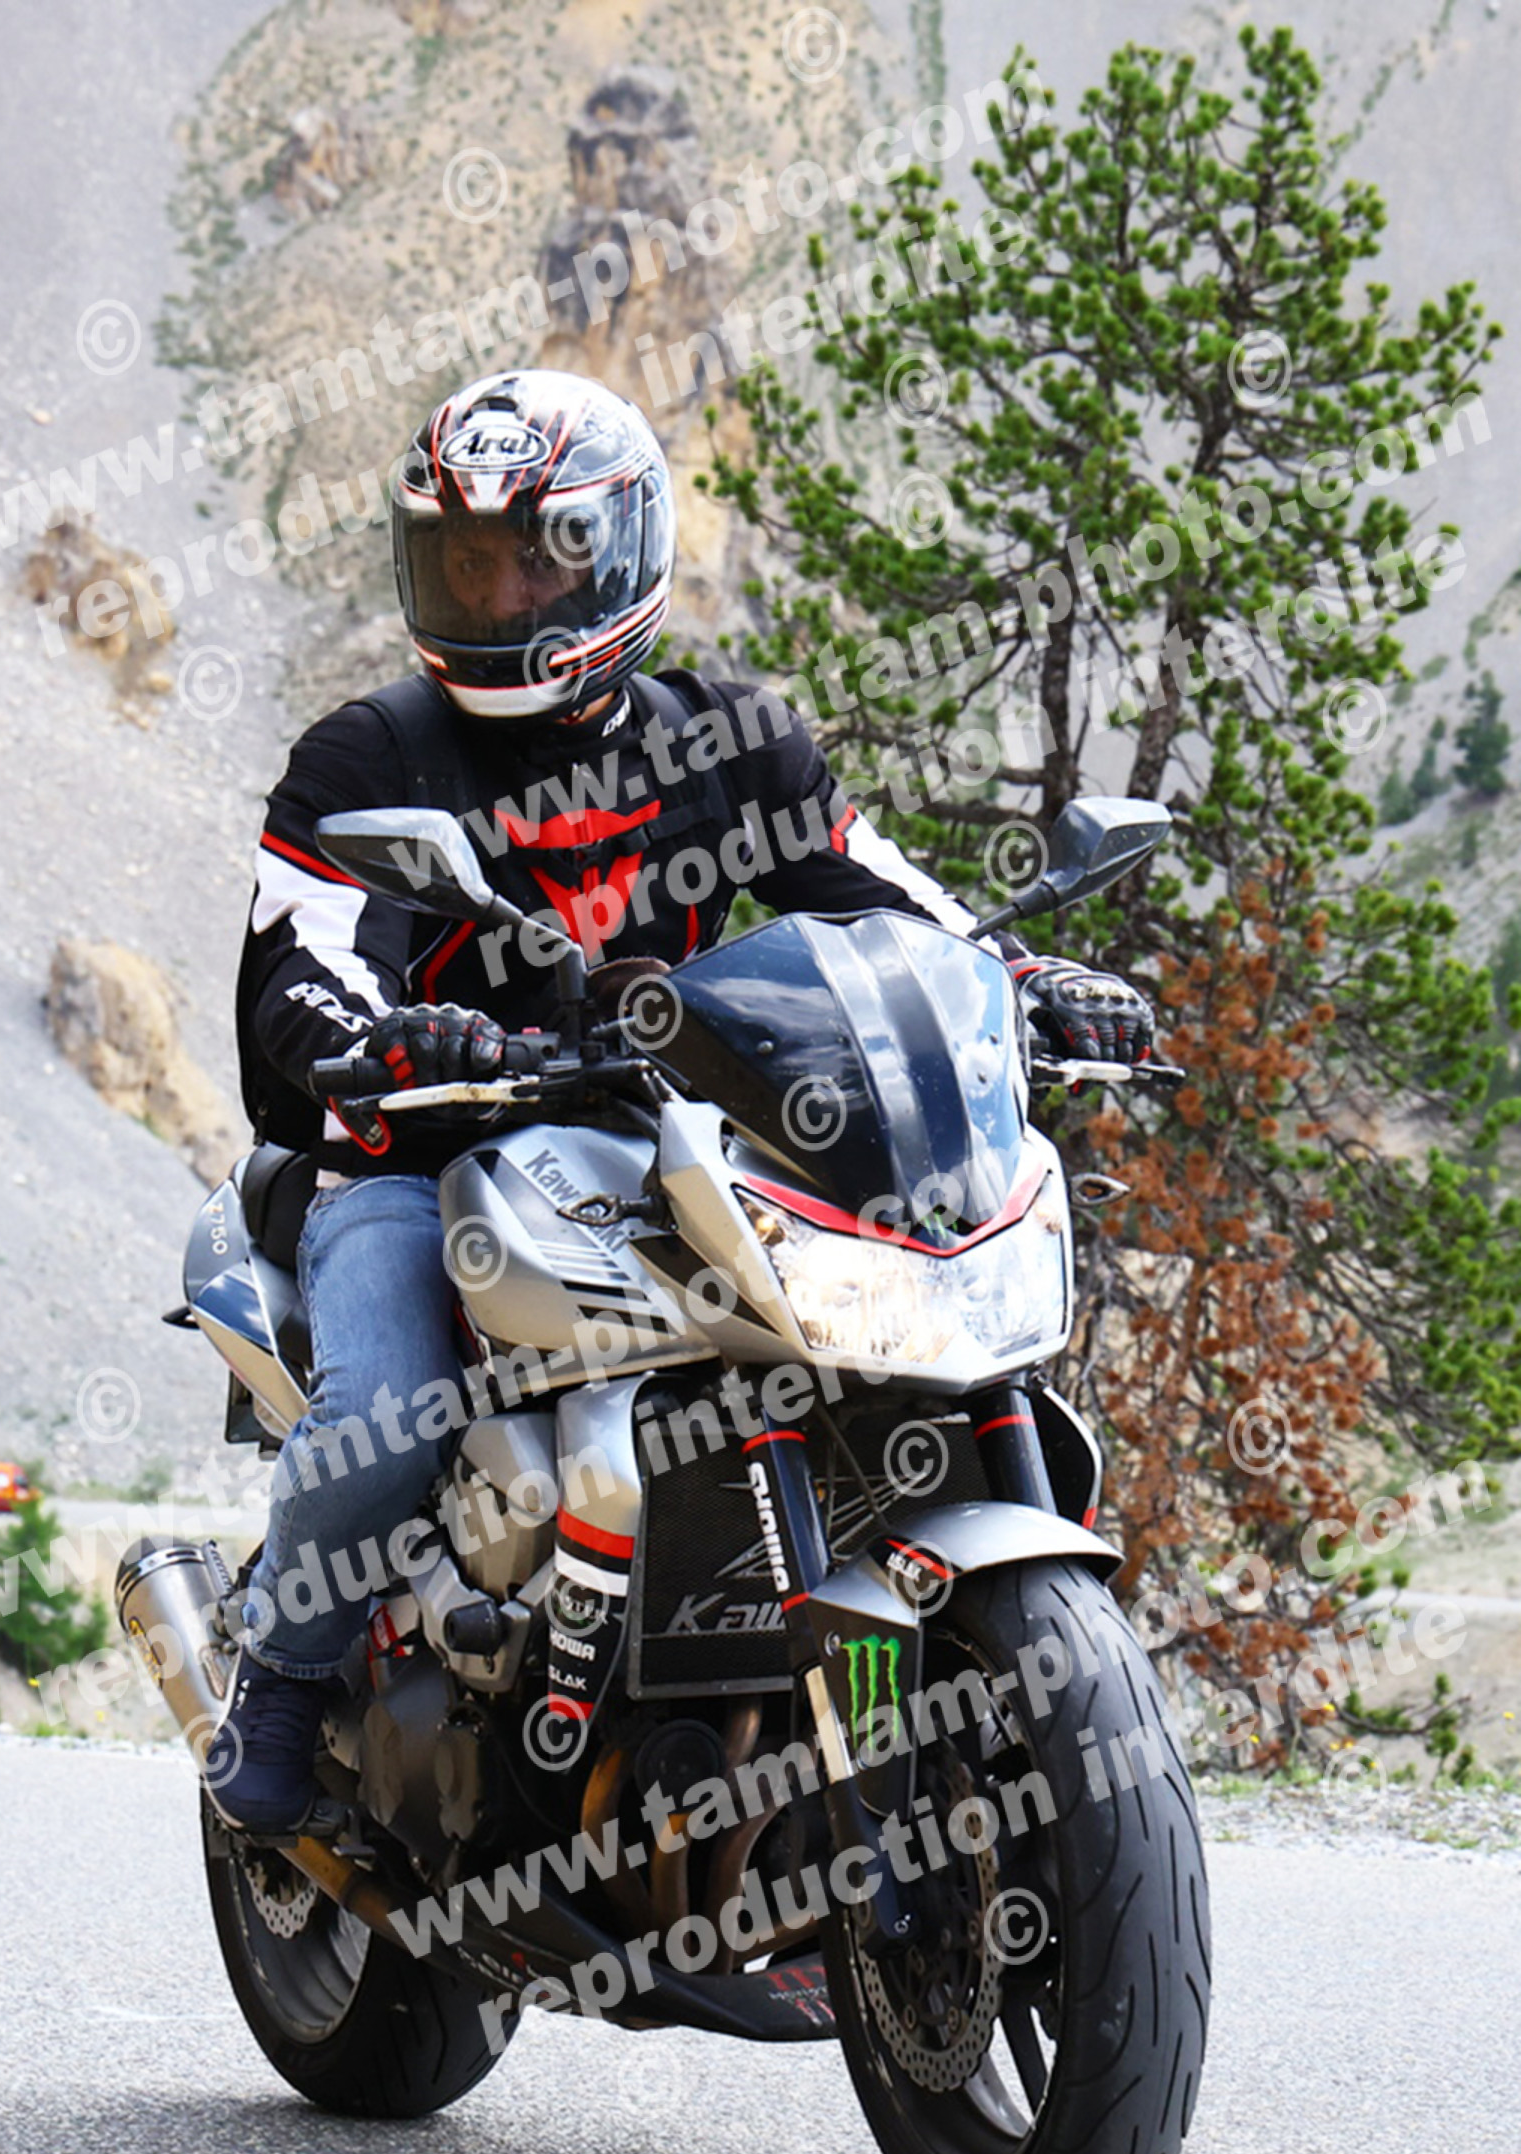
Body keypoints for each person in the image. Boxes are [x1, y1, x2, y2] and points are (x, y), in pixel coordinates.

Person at [206, 367, 1155, 1834]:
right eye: (468, 561)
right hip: (417, 1154)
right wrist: (387, 1041)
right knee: (393, 1413)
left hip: (670, 1141)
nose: (501, 595)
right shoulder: (369, 760)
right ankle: (278, 1676)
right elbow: (299, 977)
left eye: (538, 559)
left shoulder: (725, 736)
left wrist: (1019, 980)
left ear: (625, 552)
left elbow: (890, 905)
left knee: (878, 1342)